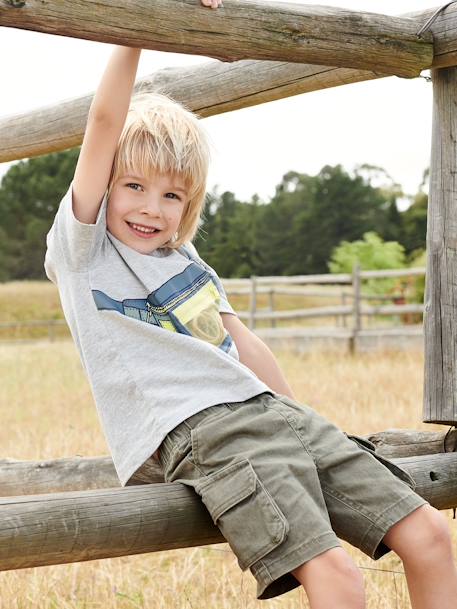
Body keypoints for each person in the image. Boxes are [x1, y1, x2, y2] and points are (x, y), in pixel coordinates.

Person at [44, 3, 457, 607]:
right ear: (105, 184)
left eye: (170, 195)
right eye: (133, 186)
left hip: (270, 413)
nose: (150, 208)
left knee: (431, 534)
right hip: (204, 429)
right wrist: (140, 20)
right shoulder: (85, 252)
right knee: (337, 577)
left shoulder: (187, 263)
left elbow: (243, 344)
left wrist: (306, 425)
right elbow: (106, 120)